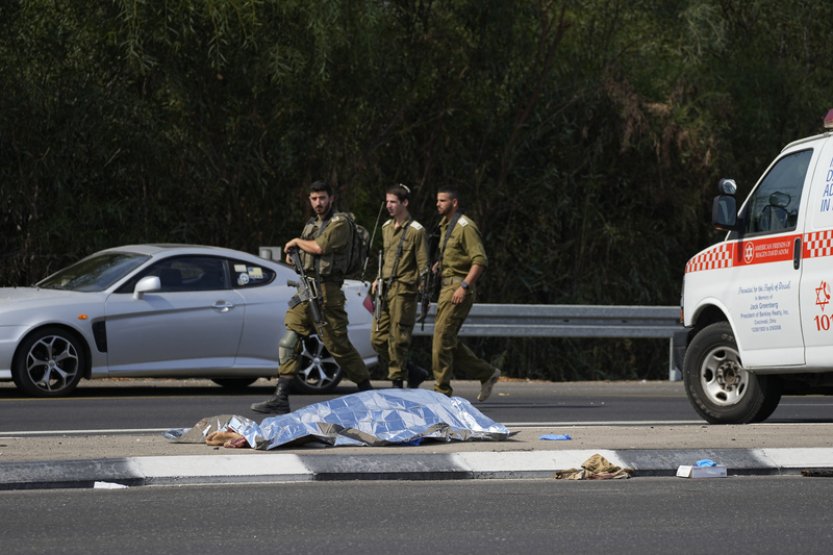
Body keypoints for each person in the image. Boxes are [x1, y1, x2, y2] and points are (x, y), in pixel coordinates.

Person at [251, 180, 372, 414]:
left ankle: (367, 391)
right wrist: (293, 256)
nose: (318, 203)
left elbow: (319, 248)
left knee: (338, 345)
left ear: (331, 198)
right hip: (306, 289)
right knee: (289, 341)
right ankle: (281, 397)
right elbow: (307, 253)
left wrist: (296, 242)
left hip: (328, 292)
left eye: (322, 198)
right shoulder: (312, 224)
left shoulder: (340, 223)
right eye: (314, 198)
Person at [431, 187, 500, 400]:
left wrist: (464, 286)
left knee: (442, 339)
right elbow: (454, 257)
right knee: (446, 339)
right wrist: (439, 265)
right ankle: (486, 373)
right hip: (446, 288)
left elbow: (479, 260)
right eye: (437, 200)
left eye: (443, 200)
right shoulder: (446, 226)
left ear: (454, 203)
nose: (438, 204)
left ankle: (442, 392)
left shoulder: (465, 227)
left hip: (457, 289)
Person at [370, 184, 431, 388]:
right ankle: (412, 370)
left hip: (404, 291)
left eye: (393, 202)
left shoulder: (416, 231)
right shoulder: (386, 227)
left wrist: (424, 293)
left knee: (398, 339)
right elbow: (386, 258)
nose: (389, 205)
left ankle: (397, 382)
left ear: (405, 203)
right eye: (387, 202)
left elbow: (423, 265)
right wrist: (378, 278)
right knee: (378, 339)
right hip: (385, 290)